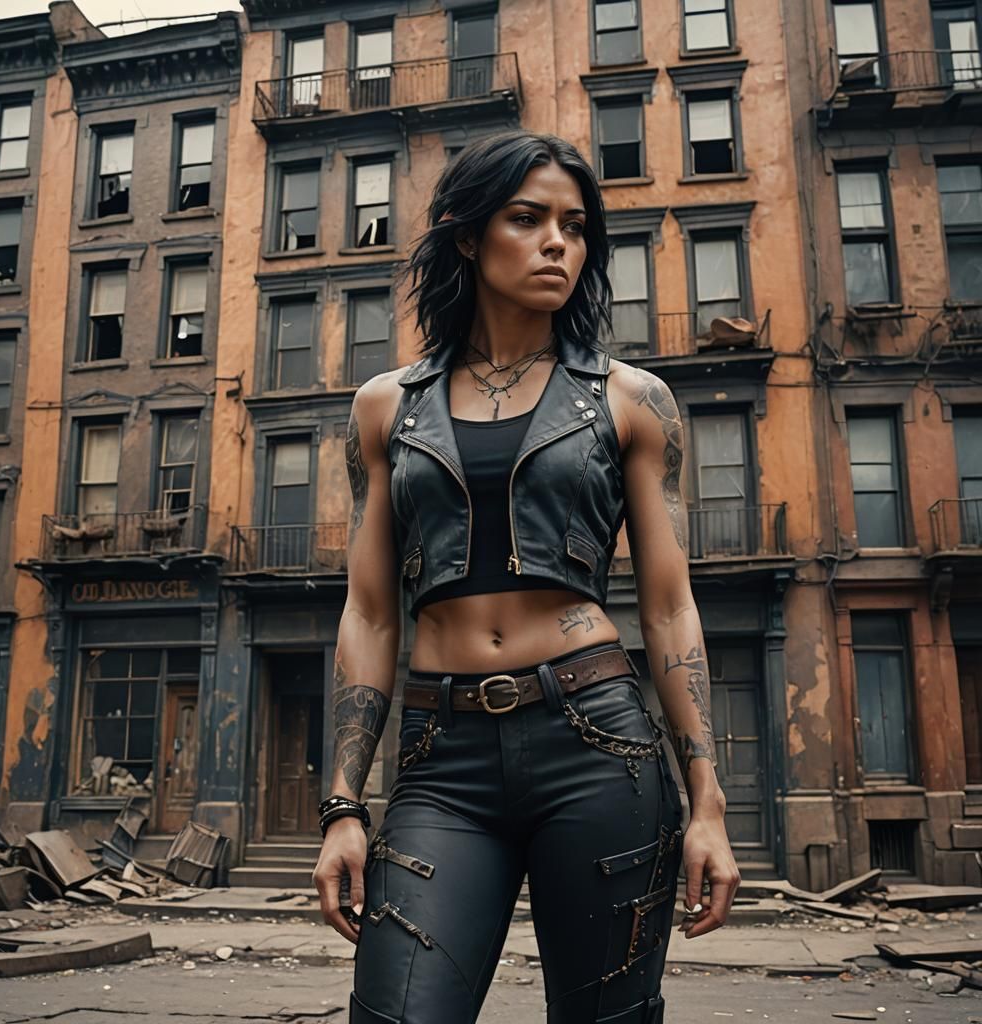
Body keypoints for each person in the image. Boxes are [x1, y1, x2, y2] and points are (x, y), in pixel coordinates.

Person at [312, 129, 740, 1024]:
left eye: (576, 227)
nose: (558, 243)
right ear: (469, 236)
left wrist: (708, 801)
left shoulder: (631, 399)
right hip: (441, 760)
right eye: (529, 218)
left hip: (598, 746)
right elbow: (371, 614)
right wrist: (342, 805)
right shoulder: (387, 406)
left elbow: (667, 608)